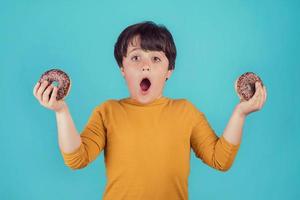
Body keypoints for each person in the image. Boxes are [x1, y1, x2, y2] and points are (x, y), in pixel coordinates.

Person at [33, 21, 267, 200]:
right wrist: (61, 112)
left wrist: (240, 114)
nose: (145, 64)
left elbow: (220, 159)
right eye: (136, 57)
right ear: (122, 68)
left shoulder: (185, 112)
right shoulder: (107, 112)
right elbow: (77, 159)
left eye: (156, 58)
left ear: (169, 71)